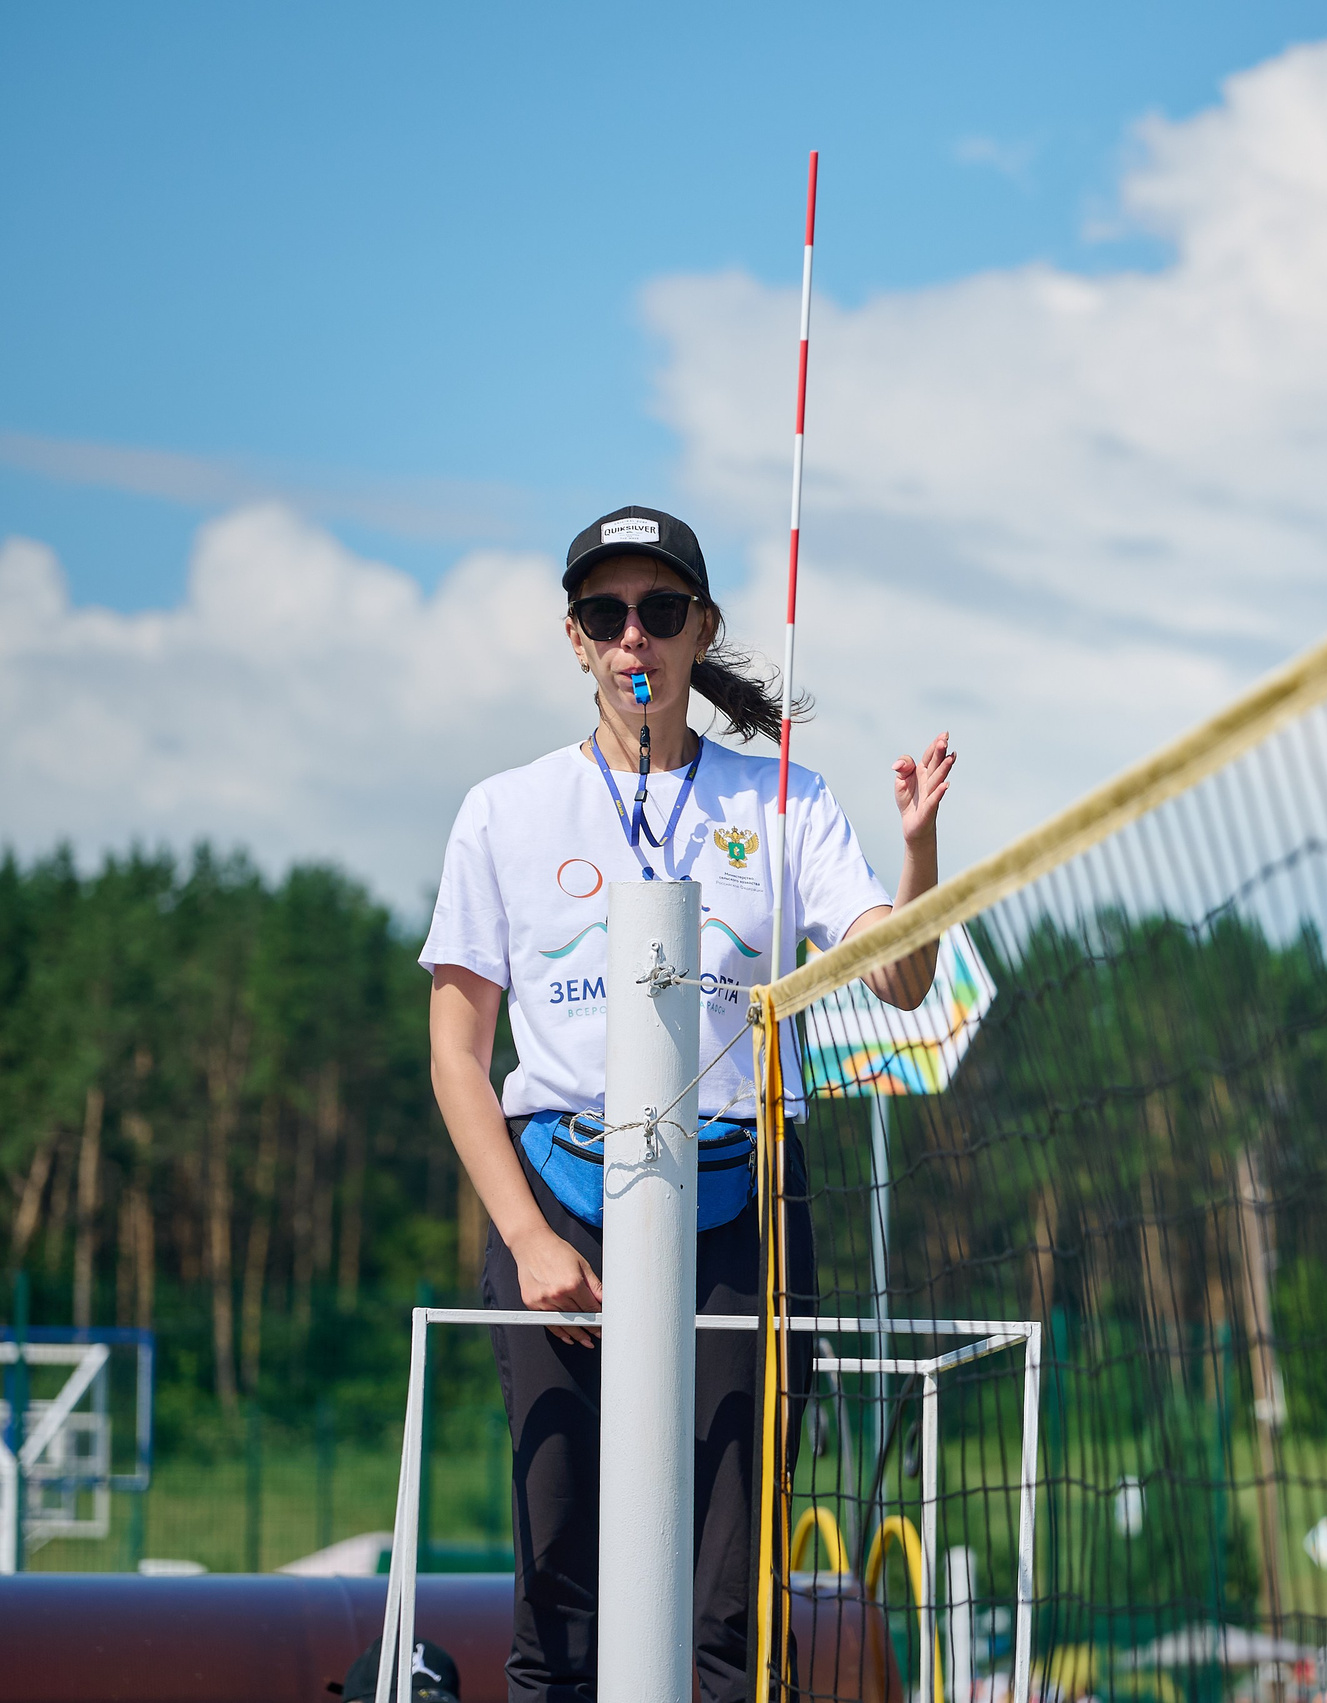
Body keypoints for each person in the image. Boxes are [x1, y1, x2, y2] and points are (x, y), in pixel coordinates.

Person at [421, 505, 953, 1703]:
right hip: (560, 1205)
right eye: (606, 614)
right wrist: (527, 1240)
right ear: (575, 638)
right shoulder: (504, 811)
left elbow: (903, 975)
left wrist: (917, 855)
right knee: (560, 1576)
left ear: (700, 629)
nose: (633, 638)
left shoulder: (784, 800)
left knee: (732, 1594)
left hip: (742, 1209)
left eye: (660, 612)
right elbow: (459, 1054)